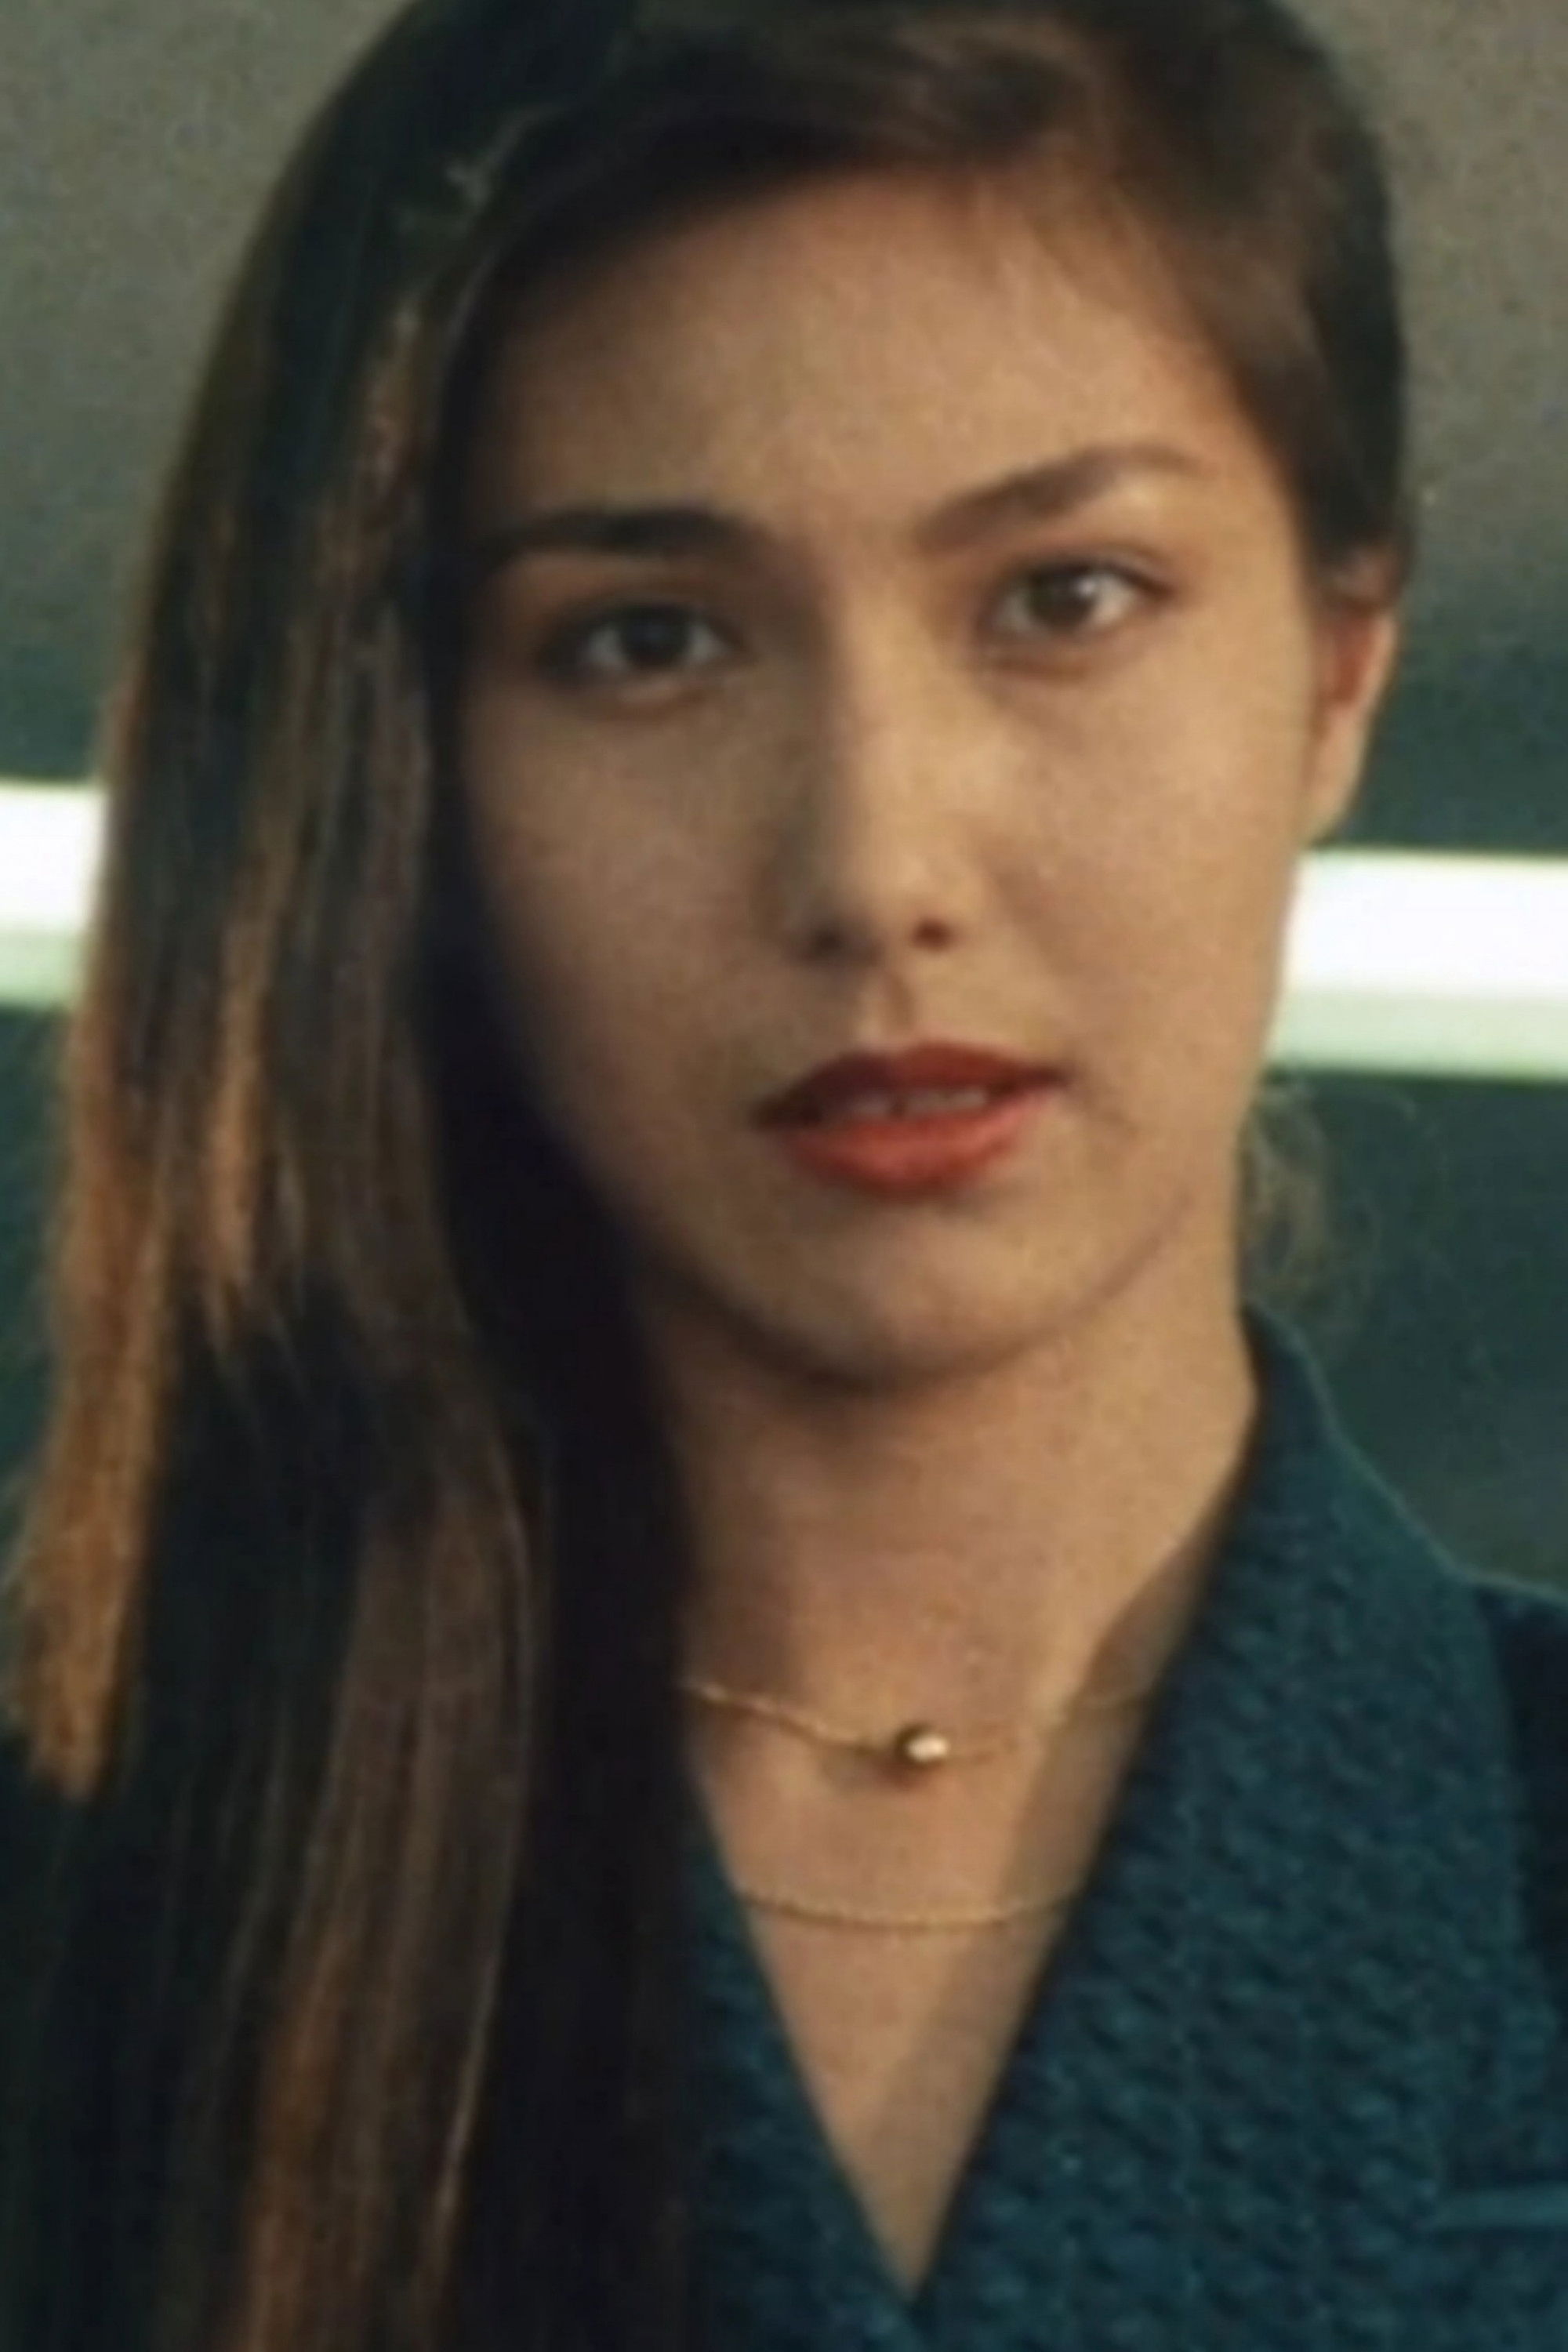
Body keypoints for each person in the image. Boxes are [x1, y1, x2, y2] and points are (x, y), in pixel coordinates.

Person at [2, 0, 1566, 2345]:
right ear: (405, 753)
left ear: (1341, 664)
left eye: (1063, 598)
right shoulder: (95, 1919)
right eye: (648, 642)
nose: (875, 864)